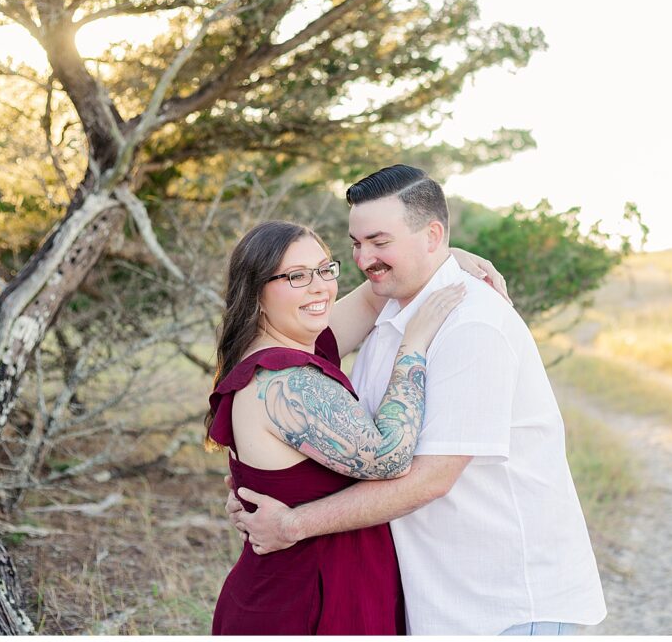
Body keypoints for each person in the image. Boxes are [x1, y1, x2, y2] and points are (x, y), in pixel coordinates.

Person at [226, 165, 607, 635]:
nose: (364, 259)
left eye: (380, 242)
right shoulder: (385, 310)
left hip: (502, 604)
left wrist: (291, 523)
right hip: (428, 598)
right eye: (356, 244)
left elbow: (428, 479)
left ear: (432, 235)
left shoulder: (471, 325)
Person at [207, 219, 504, 634]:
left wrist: (442, 256)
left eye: (326, 269)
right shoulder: (285, 379)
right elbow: (391, 457)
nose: (320, 288)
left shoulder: (288, 345)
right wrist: (413, 347)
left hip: (326, 591)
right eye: (296, 276)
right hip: (304, 606)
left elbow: (368, 300)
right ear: (256, 291)